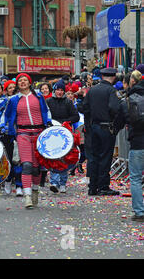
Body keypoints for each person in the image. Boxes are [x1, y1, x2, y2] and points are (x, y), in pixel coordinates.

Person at [1, 73, 52, 209]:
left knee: (36, 167)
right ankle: (27, 195)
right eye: (20, 81)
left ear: (30, 83)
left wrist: (49, 122)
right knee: (27, 165)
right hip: (22, 133)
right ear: (17, 85)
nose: (22, 82)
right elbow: (5, 115)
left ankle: (35, 190)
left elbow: (47, 112)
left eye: (25, 80)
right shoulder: (12, 100)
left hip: (39, 133)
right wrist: (4, 126)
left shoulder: (39, 97)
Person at [82, 67, 121, 196]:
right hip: (106, 127)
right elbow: (114, 108)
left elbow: (84, 108)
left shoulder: (92, 90)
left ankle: (92, 186)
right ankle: (103, 186)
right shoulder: (111, 90)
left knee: (94, 157)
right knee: (105, 157)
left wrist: (89, 124)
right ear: (113, 77)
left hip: (94, 127)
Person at [117, 70, 144, 221]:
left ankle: (140, 212)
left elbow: (119, 121)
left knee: (135, 178)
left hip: (137, 143)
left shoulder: (127, 100)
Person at [45, 80, 80, 193]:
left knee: (64, 157)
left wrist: (66, 122)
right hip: (53, 133)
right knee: (54, 156)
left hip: (65, 132)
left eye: (61, 90)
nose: (60, 92)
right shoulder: (49, 101)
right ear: (54, 91)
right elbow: (45, 116)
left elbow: (76, 117)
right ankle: (54, 182)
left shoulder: (68, 102)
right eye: (58, 90)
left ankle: (63, 182)